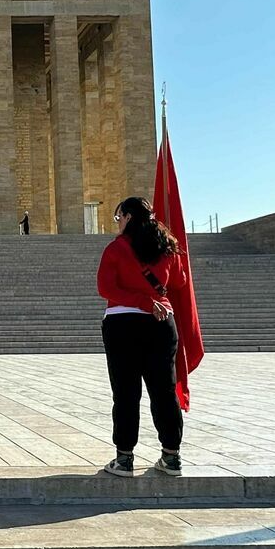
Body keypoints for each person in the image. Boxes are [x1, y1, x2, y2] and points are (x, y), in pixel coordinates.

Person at [96, 196, 188, 478]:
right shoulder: (167, 247)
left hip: (124, 324)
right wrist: (150, 299)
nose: (118, 223)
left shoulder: (116, 249)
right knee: (163, 390)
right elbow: (180, 282)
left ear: (127, 217)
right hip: (161, 324)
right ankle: (171, 457)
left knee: (126, 392)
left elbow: (105, 288)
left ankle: (124, 459)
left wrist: (140, 301)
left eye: (118, 217)